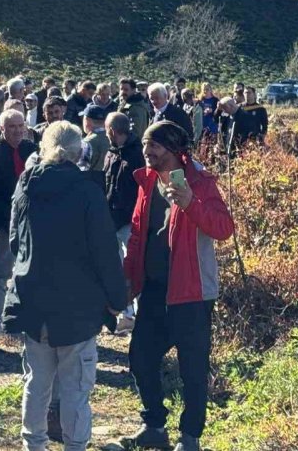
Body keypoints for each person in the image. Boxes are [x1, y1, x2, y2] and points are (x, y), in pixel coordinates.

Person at [3, 122, 127, 451]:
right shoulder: (87, 191)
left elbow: (16, 242)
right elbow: (105, 251)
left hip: (34, 299)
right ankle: (75, 446)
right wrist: (117, 299)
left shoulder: (26, 184)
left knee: (37, 381)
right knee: (75, 388)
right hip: (78, 305)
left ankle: (34, 445)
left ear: (44, 147)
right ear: (78, 152)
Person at [122, 122, 234, 451]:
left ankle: (190, 438)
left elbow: (224, 228)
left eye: (154, 146)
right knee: (141, 357)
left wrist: (190, 202)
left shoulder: (199, 182)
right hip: (155, 290)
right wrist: (129, 282)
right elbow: (137, 235)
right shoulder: (146, 181)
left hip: (193, 292)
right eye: (145, 145)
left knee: (193, 370)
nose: (147, 152)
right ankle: (155, 426)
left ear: (174, 149)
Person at [0, 109, 37, 340]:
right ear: (2, 129)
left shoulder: (30, 149)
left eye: (20, 126)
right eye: (12, 127)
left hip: (30, 221)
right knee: (1, 272)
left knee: (24, 272)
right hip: (4, 222)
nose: (17, 131)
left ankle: (20, 318)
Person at [103, 112, 145, 333]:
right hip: (113, 220)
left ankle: (139, 315)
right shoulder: (112, 154)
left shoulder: (137, 155)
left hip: (131, 222)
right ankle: (126, 314)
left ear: (112, 131)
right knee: (118, 270)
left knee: (134, 269)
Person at [80, 104, 110, 177]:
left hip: (90, 184)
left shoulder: (87, 143)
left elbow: (82, 170)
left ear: (88, 121)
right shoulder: (112, 138)